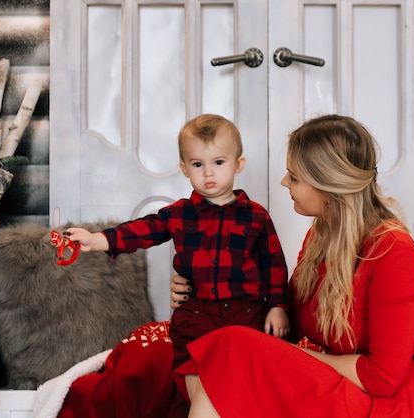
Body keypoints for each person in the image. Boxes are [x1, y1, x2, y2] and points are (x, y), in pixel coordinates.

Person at [170, 114, 414, 417]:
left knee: (229, 347)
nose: (284, 182)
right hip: (340, 381)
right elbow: (286, 323)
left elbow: (382, 378)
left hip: (389, 402)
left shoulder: (394, 252)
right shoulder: (322, 236)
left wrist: (296, 355)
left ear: (327, 186)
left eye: (293, 177)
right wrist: (203, 285)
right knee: (192, 348)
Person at [66, 113, 290, 374]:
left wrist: (278, 306)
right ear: (184, 168)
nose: (208, 172)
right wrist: (96, 239)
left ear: (238, 164)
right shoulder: (179, 214)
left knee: (241, 378)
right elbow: (141, 230)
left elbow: (274, 265)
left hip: (245, 315)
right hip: (195, 316)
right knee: (190, 379)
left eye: (218, 162)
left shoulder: (256, 216)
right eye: (197, 164)